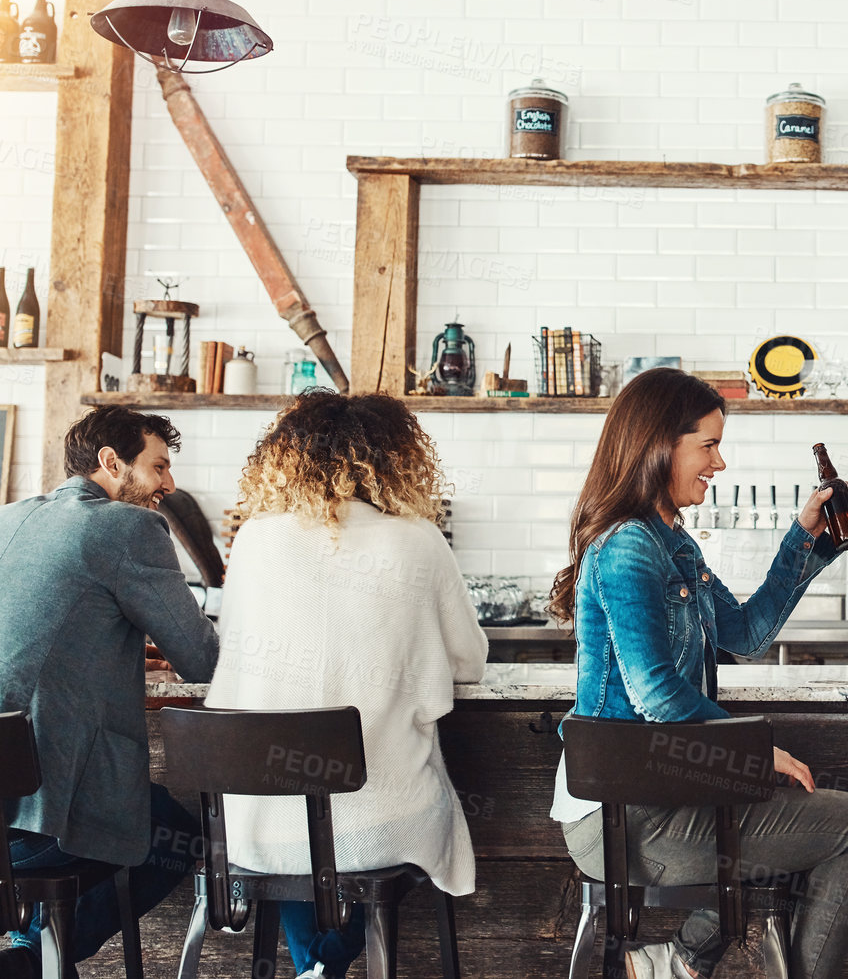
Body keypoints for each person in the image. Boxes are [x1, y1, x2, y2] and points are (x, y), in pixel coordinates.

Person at [549, 367, 848, 979]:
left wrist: (805, 539)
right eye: (708, 445)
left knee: (818, 822)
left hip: (661, 800)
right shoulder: (628, 545)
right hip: (626, 819)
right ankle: (682, 960)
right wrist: (753, 753)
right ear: (658, 445)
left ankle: (677, 961)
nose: (720, 463)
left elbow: (747, 634)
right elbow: (653, 690)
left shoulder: (673, 544)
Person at [205, 392, 488, 979]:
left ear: (286, 458)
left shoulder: (255, 539)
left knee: (299, 835)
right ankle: (327, 961)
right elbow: (469, 662)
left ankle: (319, 965)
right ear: (398, 459)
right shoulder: (419, 541)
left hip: (255, 826)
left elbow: (228, 641)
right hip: (379, 826)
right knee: (349, 832)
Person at [0, 406, 218, 978]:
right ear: (110, 462)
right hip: (47, 814)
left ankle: (34, 953)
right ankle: (35, 958)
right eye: (159, 467)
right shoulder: (128, 527)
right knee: (178, 840)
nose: (168, 485)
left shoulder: (10, 517)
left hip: (9, 810)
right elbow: (201, 659)